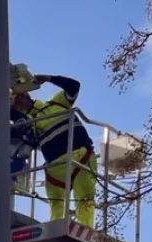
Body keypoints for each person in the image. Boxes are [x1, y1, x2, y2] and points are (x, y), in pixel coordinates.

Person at [10, 73, 99, 228]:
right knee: (56, 206)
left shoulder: (55, 103)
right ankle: (57, 229)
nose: (18, 104)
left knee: (84, 200)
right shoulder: (28, 124)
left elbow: (73, 86)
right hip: (56, 167)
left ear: (27, 94)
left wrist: (49, 78)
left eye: (19, 98)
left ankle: (87, 232)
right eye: (15, 103)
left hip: (81, 157)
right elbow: (21, 147)